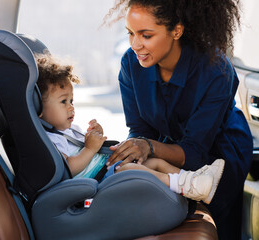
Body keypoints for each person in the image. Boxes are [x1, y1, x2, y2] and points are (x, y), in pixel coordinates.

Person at [104, 0, 253, 239]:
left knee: (220, 225)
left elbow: (194, 152)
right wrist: (135, 150)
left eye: (146, 35)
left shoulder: (216, 70)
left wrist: (149, 147)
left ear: (176, 31)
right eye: (130, 33)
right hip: (168, 146)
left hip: (220, 153)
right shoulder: (131, 64)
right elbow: (140, 129)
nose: (135, 45)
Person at [36, 54, 225, 204]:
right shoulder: (49, 140)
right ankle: (186, 185)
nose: (71, 107)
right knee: (133, 168)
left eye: (71, 101)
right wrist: (90, 148)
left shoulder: (69, 130)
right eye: (63, 102)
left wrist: (95, 136)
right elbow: (68, 169)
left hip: (104, 171)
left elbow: (86, 148)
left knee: (155, 161)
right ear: (38, 109)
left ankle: (192, 182)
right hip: (95, 183)